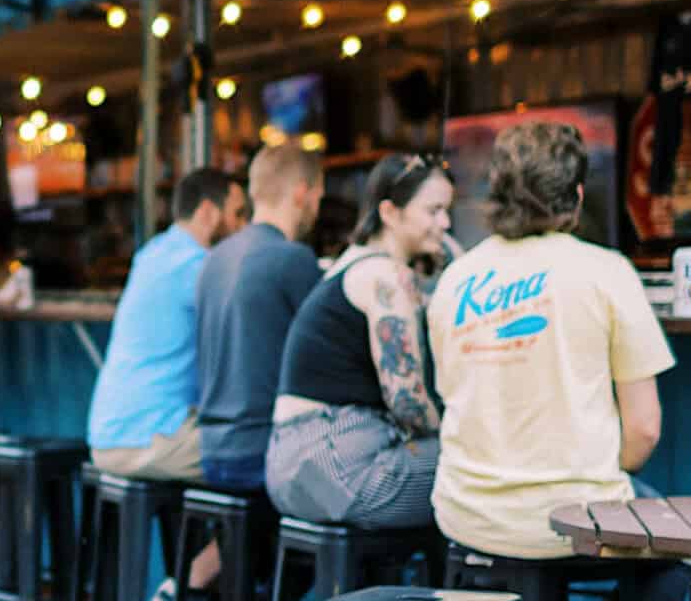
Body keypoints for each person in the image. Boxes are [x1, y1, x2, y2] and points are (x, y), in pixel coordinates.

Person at [427, 121, 689, 601]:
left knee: (509, 545)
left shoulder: (455, 280)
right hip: (570, 519)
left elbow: (450, 401)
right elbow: (645, 427)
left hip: (468, 517)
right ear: (576, 194)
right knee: (676, 559)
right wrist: (598, 473)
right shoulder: (604, 271)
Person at [269, 153, 456, 530]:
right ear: (389, 213)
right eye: (433, 210)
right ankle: (470, 588)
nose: (445, 223)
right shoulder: (385, 276)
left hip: (293, 464)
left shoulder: (352, 262)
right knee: (477, 469)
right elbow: (409, 404)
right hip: (338, 462)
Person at [86, 166, 245, 482]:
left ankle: (206, 532)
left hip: (107, 435)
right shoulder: (200, 266)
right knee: (264, 455)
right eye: (238, 214)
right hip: (151, 438)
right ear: (208, 213)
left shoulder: (153, 253)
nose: (244, 226)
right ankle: (217, 532)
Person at [195, 141, 326, 493]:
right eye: (318, 197)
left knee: (241, 543)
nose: (317, 208)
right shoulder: (293, 258)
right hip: (263, 453)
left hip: (212, 450)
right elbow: (334, 356)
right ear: (302, 193)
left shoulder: (213, 259)